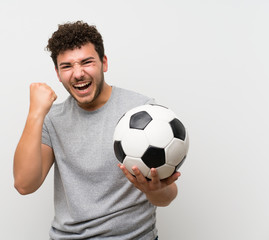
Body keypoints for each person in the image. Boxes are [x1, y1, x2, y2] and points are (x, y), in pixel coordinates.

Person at [13, 21, 181, 240]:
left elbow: (165, 198)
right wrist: (35, 113)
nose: (78, 73)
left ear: (104, 63)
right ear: (57, 72)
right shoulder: (51, 119)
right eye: (67, 66)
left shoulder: (142, 112)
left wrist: (153, 189)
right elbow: (25, 185)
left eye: (86, 62)